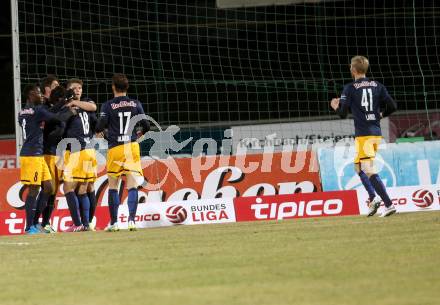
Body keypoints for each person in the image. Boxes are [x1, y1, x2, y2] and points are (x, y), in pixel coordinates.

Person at [330, 55, 397, 217]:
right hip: (375, 132)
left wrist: (335, 106)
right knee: (358, 166)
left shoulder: (350, 88)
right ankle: (373, 198)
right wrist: (380, 115)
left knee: (367, 169)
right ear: (365, 69)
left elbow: (342, 114)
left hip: (364, 134)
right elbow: (393, 106)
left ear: (353, 69)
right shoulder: (377, 85)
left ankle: (388, 204)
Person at [95, 73, 149, 231]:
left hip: (115, 147)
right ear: (127, 87)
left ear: (113, 87)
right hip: (131, 146)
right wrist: (138, 135)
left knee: (113, 186)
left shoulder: (107, 105)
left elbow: (99, 126)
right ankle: (132, 221)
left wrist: (103, 133)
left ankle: (114, 223)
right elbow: (146, 125)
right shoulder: (136, 103)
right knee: (132, 185)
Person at [18, 84, 75, 234]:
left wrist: (63, 101)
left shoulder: (24, 111)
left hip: (36, 154)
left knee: (49, 187)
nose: (41, 95)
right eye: (38, 92)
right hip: (32, 155)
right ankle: (30, 226)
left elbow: (48, 112)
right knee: (33, 190)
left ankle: (35, 223)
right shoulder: (37, 111)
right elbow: (55, 117)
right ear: (31, 95)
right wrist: (68, 111)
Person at [62, 78, 97, 232]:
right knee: (84, 188)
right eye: (75, 88)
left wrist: (73, 103)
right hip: (88, 151)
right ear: (69, 90)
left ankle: (79, 223)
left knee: (68, 188)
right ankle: (86, 224)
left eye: (80, 88)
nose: (78, 90)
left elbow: (93, 107)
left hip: (78, 151)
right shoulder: (70, 106)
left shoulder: (77, 105)